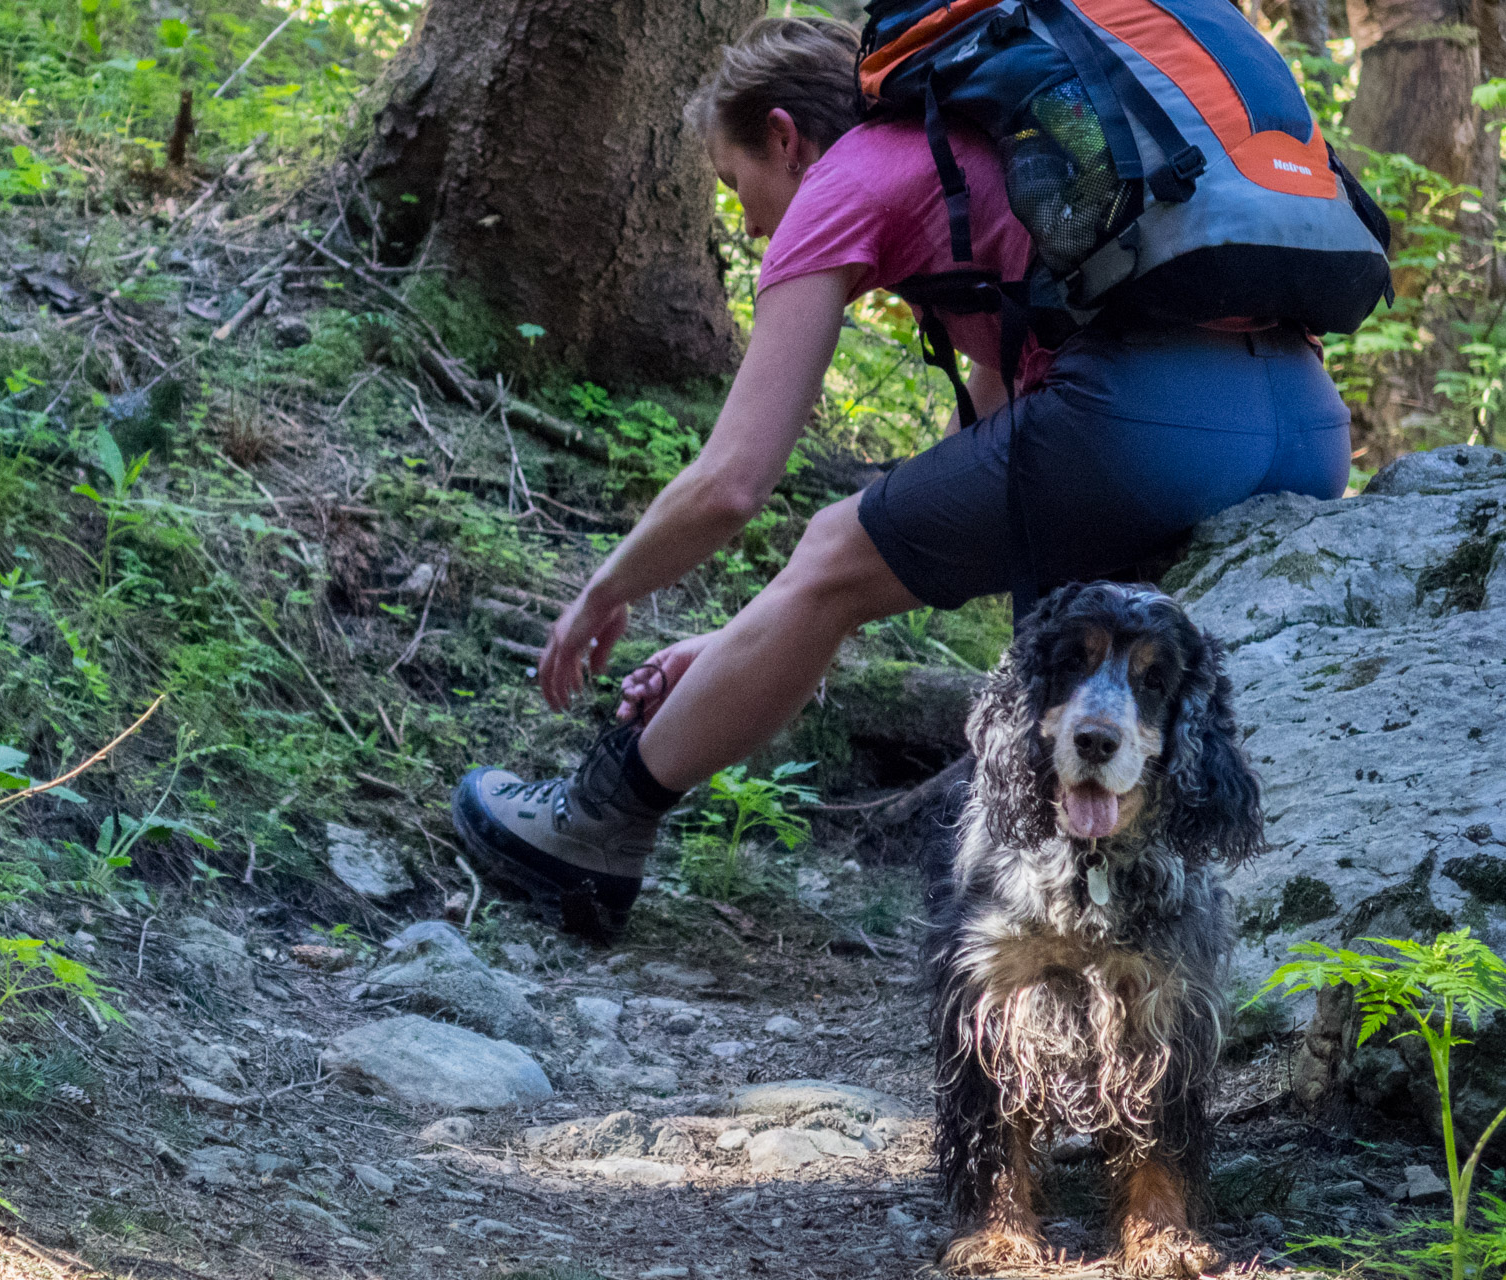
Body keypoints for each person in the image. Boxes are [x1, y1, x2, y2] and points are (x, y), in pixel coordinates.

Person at [450, 16, 1349, 939]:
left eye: (736, 182)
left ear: (784, 138)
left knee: (830, 545)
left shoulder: (849, 179)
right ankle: (1114, 931)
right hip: (1309, 427)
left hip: (1153, 429)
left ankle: (592, 825)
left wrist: (606, 590)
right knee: (1047, 635)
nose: (748, 218)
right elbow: (998, 477)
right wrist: (742, 642)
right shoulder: (995, 178)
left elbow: (732, 481)